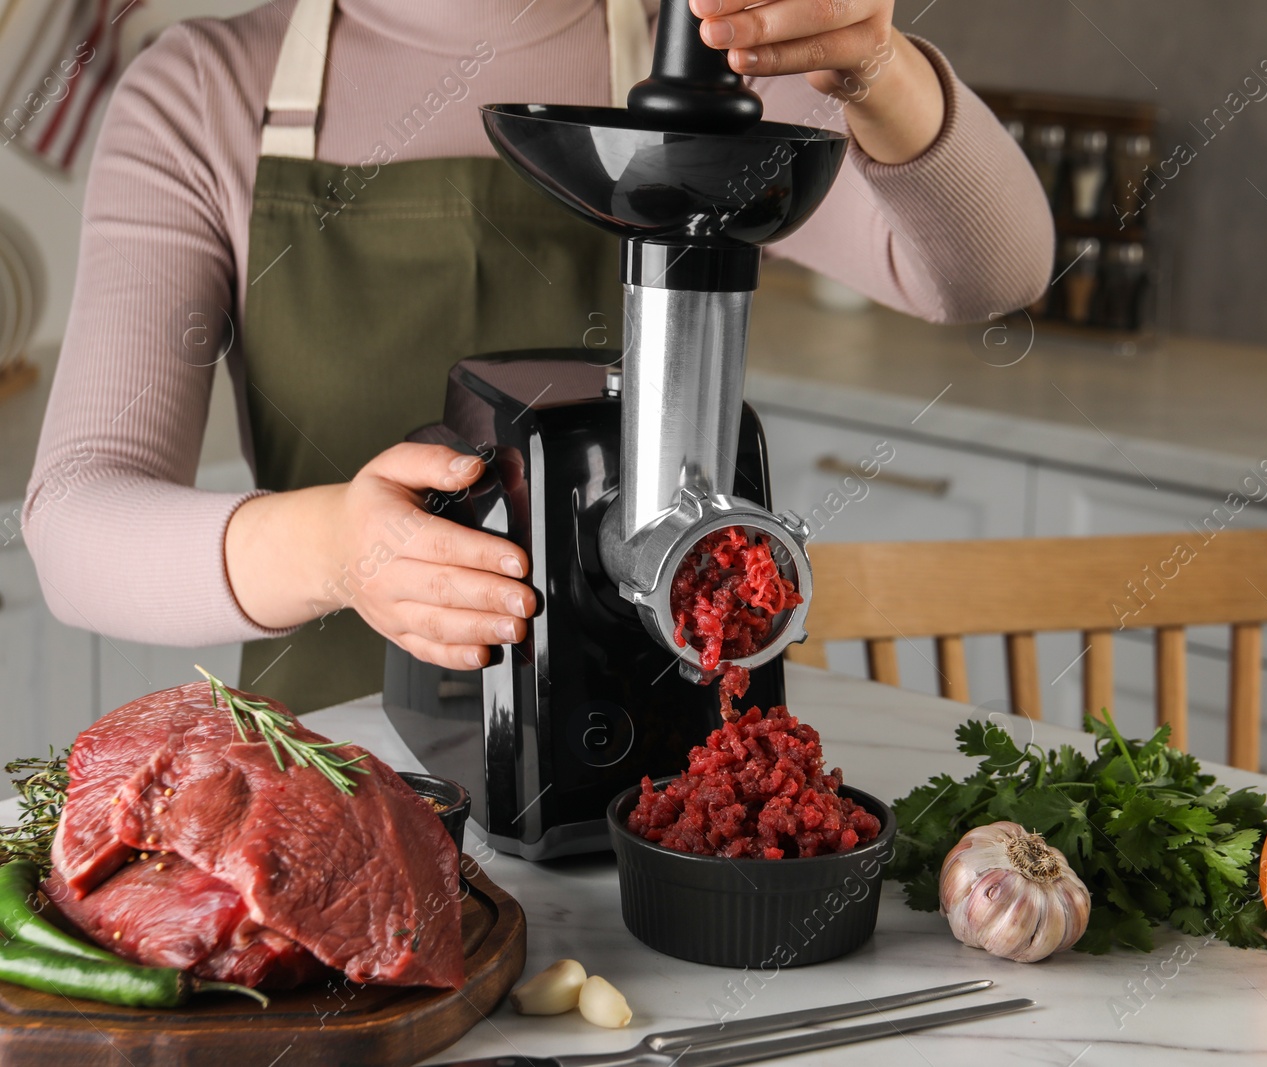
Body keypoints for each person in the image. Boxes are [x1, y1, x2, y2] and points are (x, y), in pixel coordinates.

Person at [24, 0, 1052, 712]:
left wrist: (877, 67)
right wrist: (340, 549)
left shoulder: (695, 57)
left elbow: (990, 274)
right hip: (339, 770)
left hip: (653, 787)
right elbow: (74, 524)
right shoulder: (203, 92)